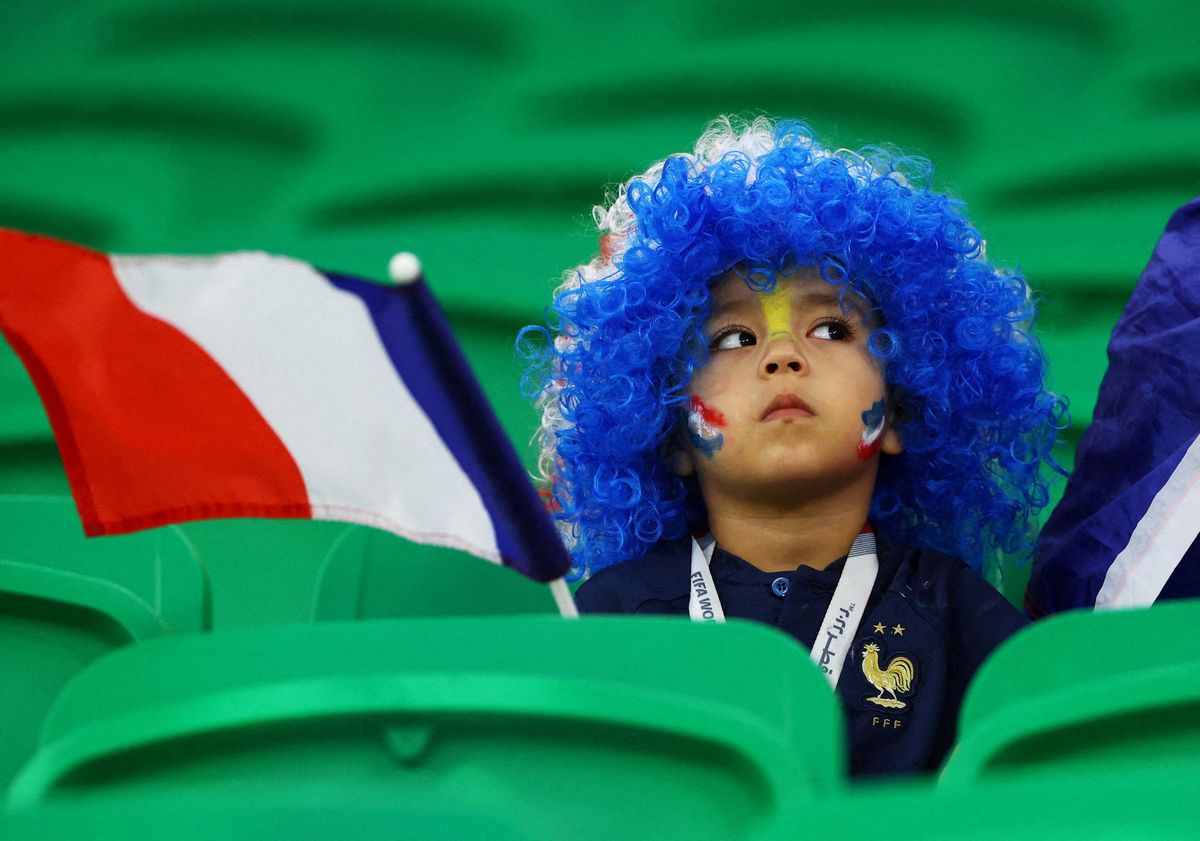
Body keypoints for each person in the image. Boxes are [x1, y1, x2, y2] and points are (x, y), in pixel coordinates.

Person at [520, 116, 1065, 777]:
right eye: (731, 339)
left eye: (832, 327)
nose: (782, 354)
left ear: (899, 409)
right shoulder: (616, 617)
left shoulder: (957, 615)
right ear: (669, 434)